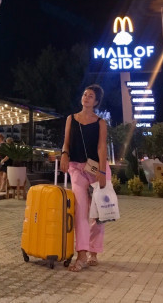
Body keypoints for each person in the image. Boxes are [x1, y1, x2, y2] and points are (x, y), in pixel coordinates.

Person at [60, 84, 110, 272]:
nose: (86, 97)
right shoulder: (71, 119)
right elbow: (66, 142)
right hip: (76, 168)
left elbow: (102, 147)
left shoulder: (100, 123)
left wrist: (102, 172)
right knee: (80, 210)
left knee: (98, 213)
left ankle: (93, 251)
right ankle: (81, 253)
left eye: (90, 96)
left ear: (96, 102)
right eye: (85, 94)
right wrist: (64, 154)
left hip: (96, 169)